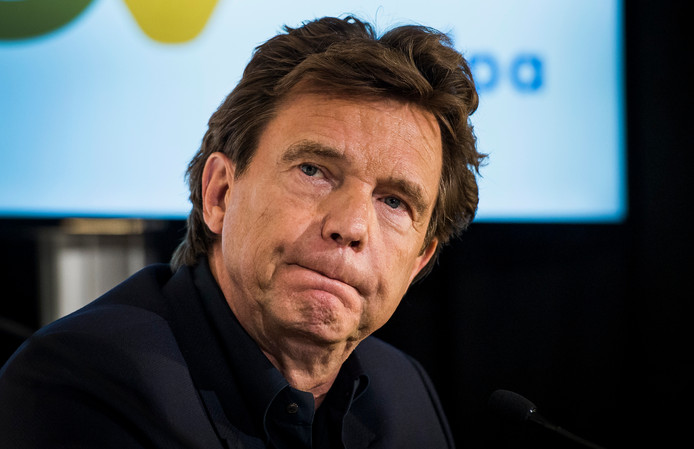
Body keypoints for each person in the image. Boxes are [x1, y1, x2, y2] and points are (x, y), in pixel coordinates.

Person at [0, 15, 484, 448]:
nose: (351, 226)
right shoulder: (82, 383)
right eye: (313, 170)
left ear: (419, 260)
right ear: (220, 194)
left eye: (394, 202)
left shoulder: (404, 394)